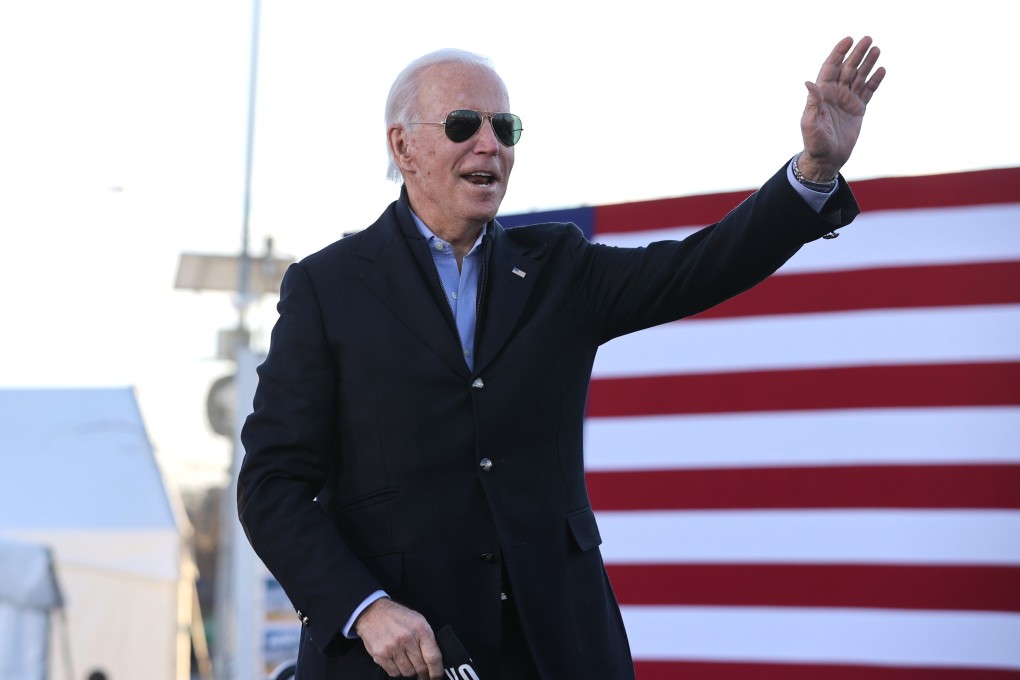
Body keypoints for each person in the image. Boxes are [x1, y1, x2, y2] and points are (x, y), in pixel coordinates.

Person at [238, 36, 885, 679]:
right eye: (464, 125)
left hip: (556, 646)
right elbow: (271, 485)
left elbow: (700, 267)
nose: (489, 143)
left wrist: (813, 172)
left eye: (505, 127)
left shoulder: (559, 268)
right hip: (400, 656)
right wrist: (366, 608)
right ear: (403, 146)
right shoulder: (330, 288)